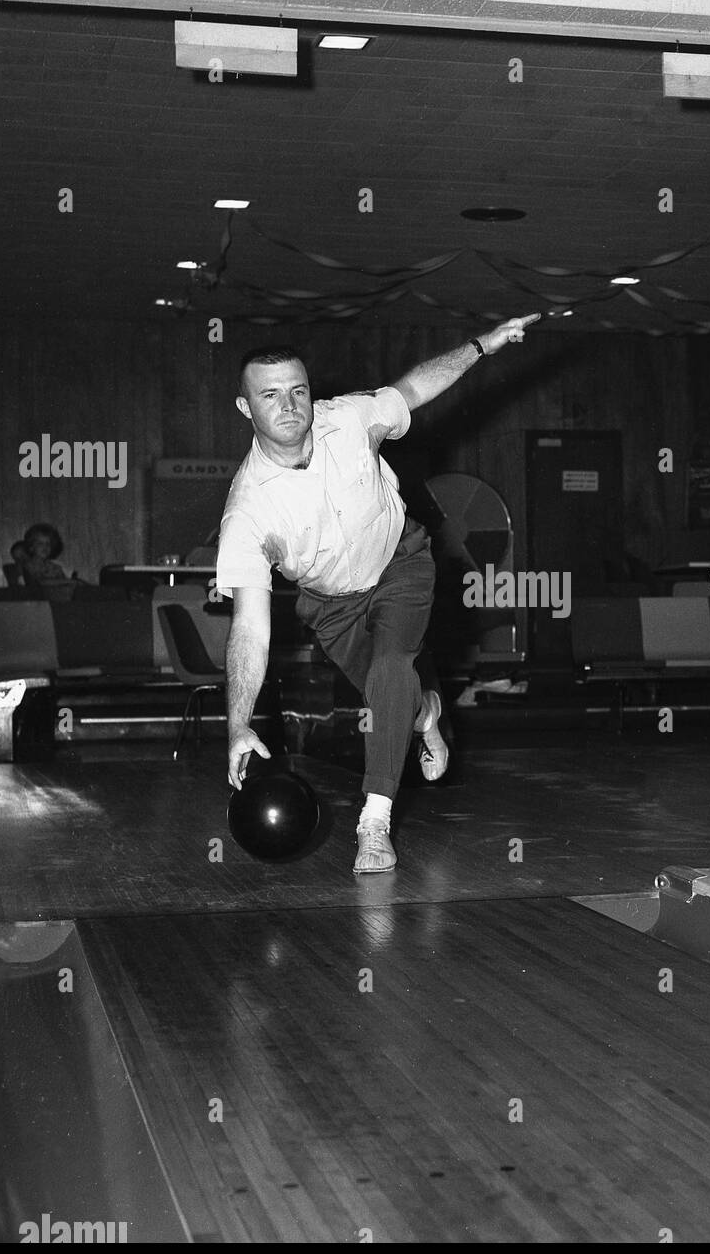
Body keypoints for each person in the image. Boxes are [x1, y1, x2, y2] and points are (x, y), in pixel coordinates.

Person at [217, 314, 540, 874]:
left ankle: (374, 822)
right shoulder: (248, 511)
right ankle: (429, 711)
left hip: (401, 563)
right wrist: (238, 722)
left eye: (299, 390)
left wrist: (481, 346)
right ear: (246, 408)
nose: (290, 405)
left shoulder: (350, 419)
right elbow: (249, 626)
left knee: (391, 671)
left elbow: (415, 387)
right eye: (270, 395)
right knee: (399, 695)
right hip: (333, 605)